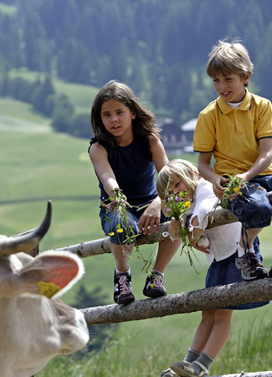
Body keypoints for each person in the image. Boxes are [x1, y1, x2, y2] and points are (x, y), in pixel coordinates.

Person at [193, 40, 272, 281]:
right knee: (259, 208)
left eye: (228, 79)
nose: (221, 86)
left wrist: (247, 176)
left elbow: (267, 154)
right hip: (233, 181)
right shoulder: (208, 116)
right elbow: (203, 165)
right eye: (216, 80)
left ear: (246, 76)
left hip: (265, 174)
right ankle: (246, 253)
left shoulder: (262, 106)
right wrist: (216, 179)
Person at [156, 159, 268, 377]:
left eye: (178, 184)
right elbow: (180, 232)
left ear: (193, 175)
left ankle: (202, 366)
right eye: (170, 191)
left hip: (238, 252)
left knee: (222, 314)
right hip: (219, 258)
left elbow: (205, 211)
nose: (177, 192)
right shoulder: (188, 201)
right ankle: (187, 363)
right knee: (208, 312)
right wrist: (177, 223)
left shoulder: (206, 188)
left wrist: (194, 232)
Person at [88, 80, 181, 305]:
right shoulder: (98, 148)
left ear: (132, 112)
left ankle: (156, 276)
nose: (114, 119)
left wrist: (158, 203)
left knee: (180, 212)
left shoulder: (150, 141)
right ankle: (122, 275)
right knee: (123, 225)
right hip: (116, 205)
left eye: (119, 112)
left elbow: (169, 178)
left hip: (153, 201)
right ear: (100, 119)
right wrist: (118, 198)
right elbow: (107, 176)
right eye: (107, 115)